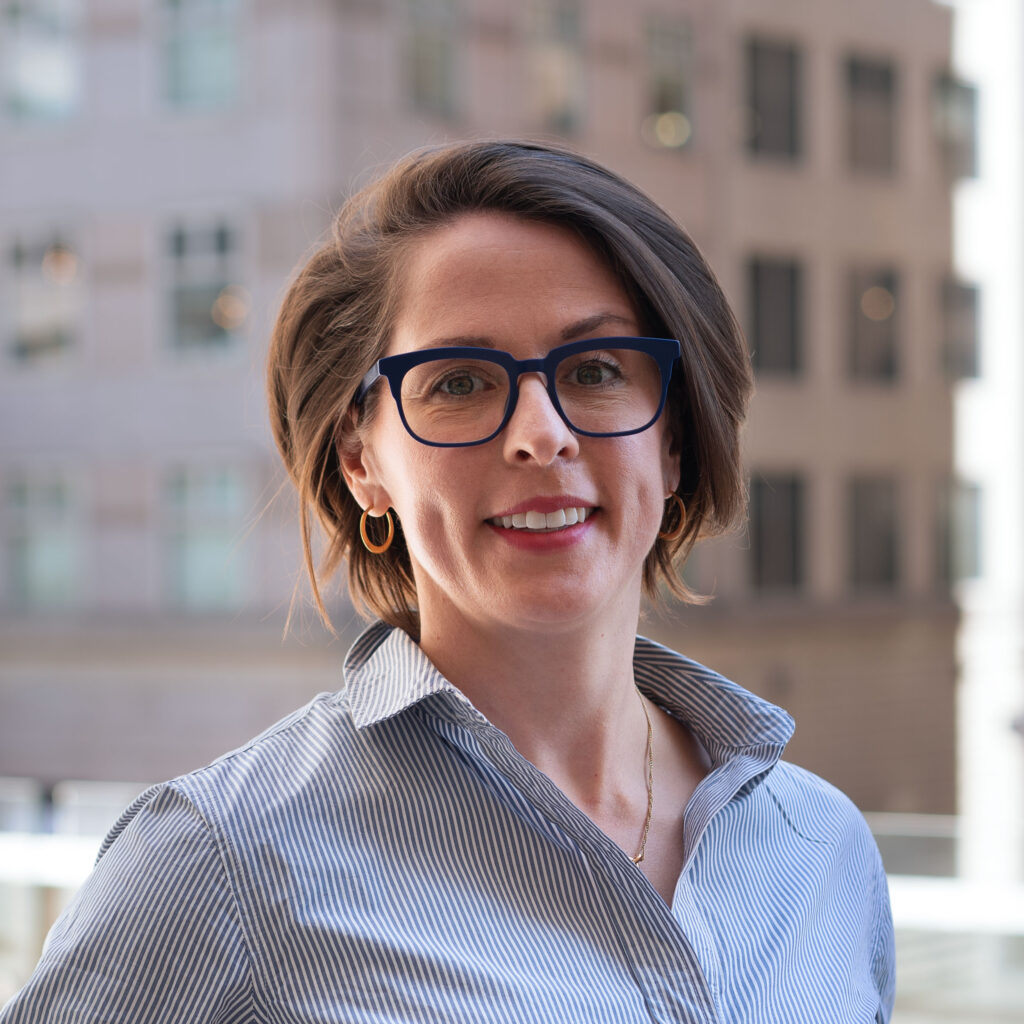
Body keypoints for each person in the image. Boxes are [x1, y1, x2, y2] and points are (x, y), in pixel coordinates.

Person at [1, 140, 895, 1023]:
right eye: (460, 382)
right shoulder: (222, 859)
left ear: (672, 438)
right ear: (361, 460)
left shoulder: (821, 848)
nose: (540, 435)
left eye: (595, 371)